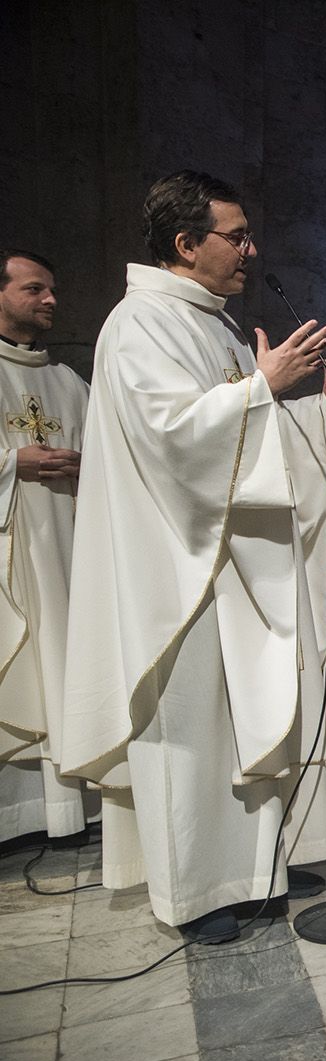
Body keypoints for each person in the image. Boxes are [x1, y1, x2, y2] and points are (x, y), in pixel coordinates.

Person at [57, 171, 326, 943]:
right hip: (179, 566)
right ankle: (196, 889)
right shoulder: (140, 325)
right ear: (185, 243)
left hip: (236, 560)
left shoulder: (218, 326)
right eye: (237, 236)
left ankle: (257, 866)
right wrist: (262, 386)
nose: (251, 250)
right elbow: (171, 439)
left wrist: (303, 403)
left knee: (251, 713)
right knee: (193, 727)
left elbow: (244, 426)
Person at [0, 249, 94, 843]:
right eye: (35, 289)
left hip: (67, 547)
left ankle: (71, 810)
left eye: (52, 289)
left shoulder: (66, 381)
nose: (51, 300)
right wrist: (14, 462)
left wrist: (86, 466)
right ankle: (16, 816)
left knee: (64, 662)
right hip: (12, 552)